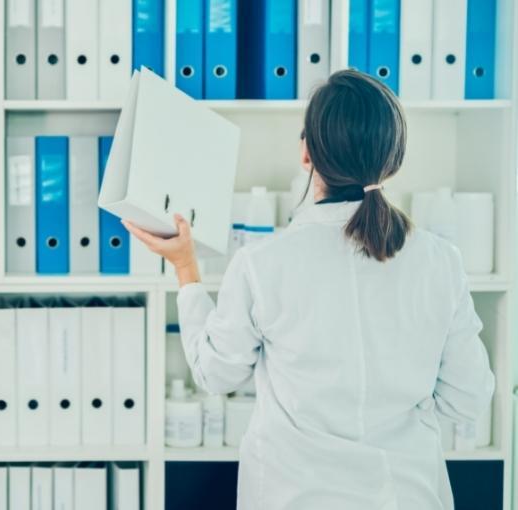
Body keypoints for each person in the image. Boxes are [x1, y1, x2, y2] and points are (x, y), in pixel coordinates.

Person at [124, 69, 495, 509]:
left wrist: (185, 268)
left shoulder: (264, 264)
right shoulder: (441, 262)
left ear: (306, 153)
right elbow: (468, 399)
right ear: (393, 160)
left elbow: (216, 373)